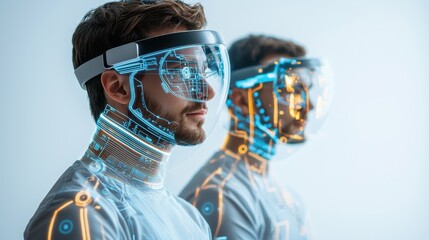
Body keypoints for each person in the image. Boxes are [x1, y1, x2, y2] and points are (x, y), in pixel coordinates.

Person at [24, 1, 230, 239]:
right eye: (180, 71)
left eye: (202, 72)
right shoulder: (79, 213)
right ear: (118, 88)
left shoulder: (189, 217)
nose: (206, 92)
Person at [180, 34, 332, 239]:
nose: (308, 105)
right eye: (291, 89)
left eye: (306, 89)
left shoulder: (285, 196)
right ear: (242, 100)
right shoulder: (220, 194)